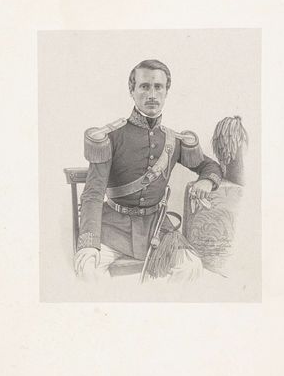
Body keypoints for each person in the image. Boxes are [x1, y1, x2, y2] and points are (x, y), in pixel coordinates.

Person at [73, 59, 222, 283]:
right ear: (132, 91)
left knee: (191, 266)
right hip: (112, 229)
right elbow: (93, 194)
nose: (152, 94)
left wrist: (206, 181)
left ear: (166, 92)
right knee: (88, 269)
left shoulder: (173, 140)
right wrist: (89, 244)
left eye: (158, 87)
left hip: (157, 228)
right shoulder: (111, 137)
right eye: (144, 86)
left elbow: (210, 166)